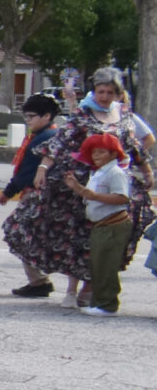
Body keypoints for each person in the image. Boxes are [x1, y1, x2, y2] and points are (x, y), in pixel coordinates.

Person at [3, 68, 154, 307]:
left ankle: (91, 288)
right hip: (83, 182)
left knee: (108, 235)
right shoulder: (83, 114)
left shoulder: (124, 113)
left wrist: (146, 170)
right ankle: (72, 290)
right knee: (77, 236)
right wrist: (43, 168)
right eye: (101, 91)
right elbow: (60, 141)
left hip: (114, 179)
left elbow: (132, 145)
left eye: (110, 92)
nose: (104, 96)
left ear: (117, 93)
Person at [0, 93, 66, 297]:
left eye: (31, 116)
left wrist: (8, 192)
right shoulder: (50, 135)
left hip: (37, 195)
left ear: (47, 116)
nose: (27, 121)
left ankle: (39, 280)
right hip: (48, 195)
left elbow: (27, 172)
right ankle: (39, 279)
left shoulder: (44, 139)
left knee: (20, 233)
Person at [74, 133, 134, 315]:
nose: (96, 156)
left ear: (114, 154)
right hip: (100, 225)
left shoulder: (115, 173)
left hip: (113, 225)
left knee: (107, 265)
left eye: (101, 152)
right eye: (93, 152)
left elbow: (122, 197)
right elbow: (89, 196)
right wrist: (76, 188)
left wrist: (95, 196)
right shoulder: (99, 173)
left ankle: (107, 305)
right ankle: (99, 301)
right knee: (97, 264)